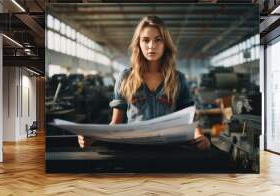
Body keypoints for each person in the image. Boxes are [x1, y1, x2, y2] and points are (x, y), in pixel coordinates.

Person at [78, 16, 210, 150]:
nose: (151, 46)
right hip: (133, 153)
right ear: (138, 44)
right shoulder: (126, 78)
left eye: (158, 40)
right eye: (146, 40)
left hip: (170, 153)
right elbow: (116, 123)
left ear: (166, 44)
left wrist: (200, 137)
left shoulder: (178, 79)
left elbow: (189, 119)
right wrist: (93, 136)